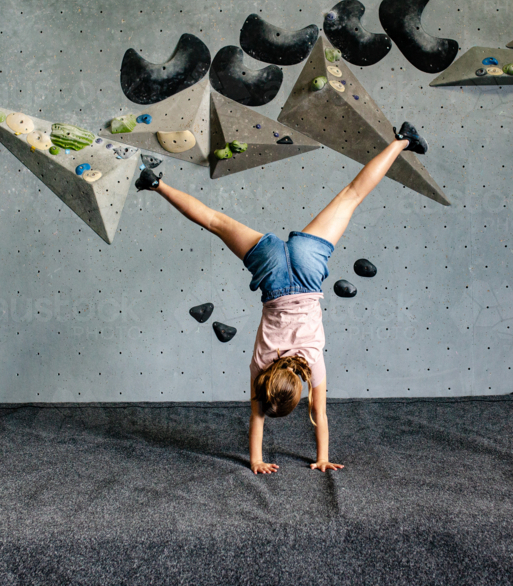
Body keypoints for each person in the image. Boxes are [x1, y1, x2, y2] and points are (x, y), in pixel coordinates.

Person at [135, 124, 427, 474]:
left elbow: (320, 413)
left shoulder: (311, 363)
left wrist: (322, 457)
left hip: (306, 270)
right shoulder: (261, 366)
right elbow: (256, 417)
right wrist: (256, 459)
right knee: (215, 221)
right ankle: (155, 183)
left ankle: (403, 140)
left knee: (352, 196)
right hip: (272, 270)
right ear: (267, 385)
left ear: (297, 387)